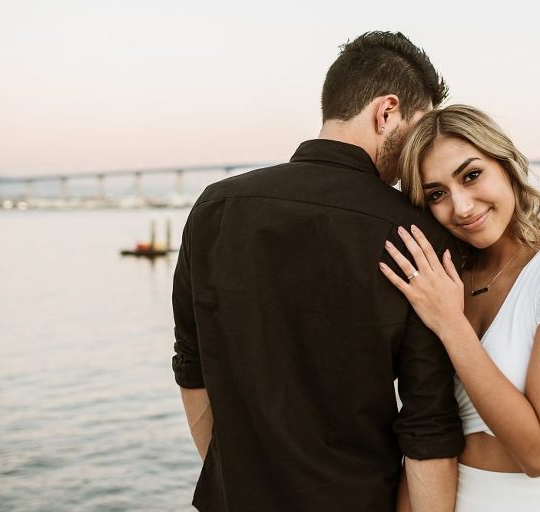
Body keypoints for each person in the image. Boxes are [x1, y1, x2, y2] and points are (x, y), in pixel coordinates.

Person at [171, 32, 465, 512]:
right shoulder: (416, 235)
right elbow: (427, 423)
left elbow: (192, 368)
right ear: (386, 112)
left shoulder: (215, 208)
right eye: (419, 128)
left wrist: (238, 481)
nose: (420, 151)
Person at [379, 104, 540, 511]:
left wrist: (452, 326)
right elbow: (423, 430)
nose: (463, 206)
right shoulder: (441, 283)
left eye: (472, 175)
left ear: (505, 165)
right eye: (437, 194)